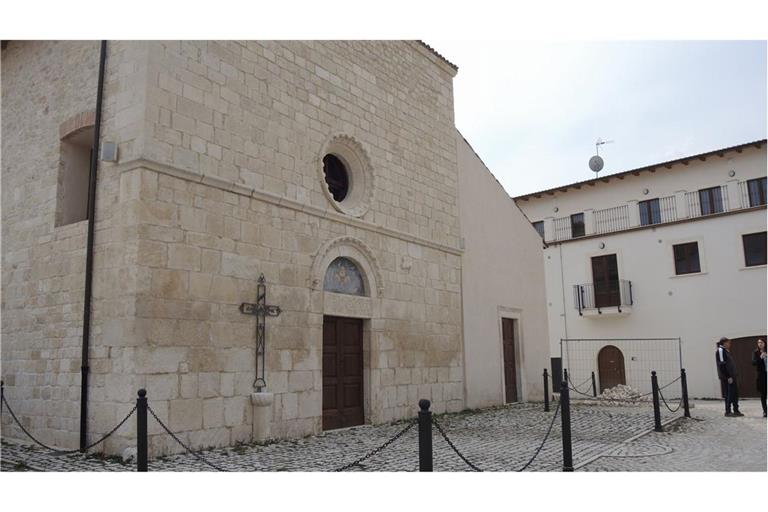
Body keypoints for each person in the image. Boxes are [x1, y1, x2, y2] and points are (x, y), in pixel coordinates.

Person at [715, 337, 742, 417]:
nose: (729, 344)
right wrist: (728, 376)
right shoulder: (720, 350)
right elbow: (722, 365)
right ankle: (728, 411)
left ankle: (736, 410)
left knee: (734, 394)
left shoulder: (726, 351)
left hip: (732, 376)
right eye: (728, 343)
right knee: (729, 394)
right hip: (727, 377)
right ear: (724, 343)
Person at [752, 338, 767, 418]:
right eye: (758, 343)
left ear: (765, 343)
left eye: (761, 342)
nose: (760, 344)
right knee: (763, 394)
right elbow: (753, 362)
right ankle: (765, 411)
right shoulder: (756, 352)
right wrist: (760, 357)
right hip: (762, 375)